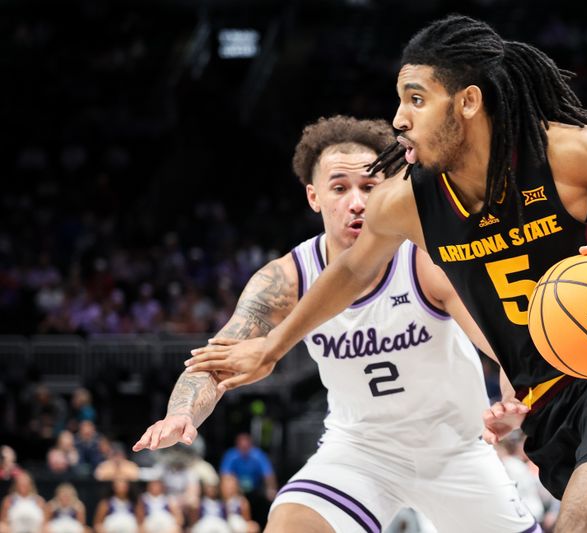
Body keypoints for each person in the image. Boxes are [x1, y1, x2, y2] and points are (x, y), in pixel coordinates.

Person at [184, 15, 587, 533]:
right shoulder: (407, 202)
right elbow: (351, 273)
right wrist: (271, 348)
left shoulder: (569, 153)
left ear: (468, 102)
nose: (400, 119)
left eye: (416, 99)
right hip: (544, 392)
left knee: (585, 521)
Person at [134, 115, 538, 533]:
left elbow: (505, 346)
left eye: (369, 186)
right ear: (314, 197)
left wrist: (511, 400)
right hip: (361, 452)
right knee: (290, 523)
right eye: (340, 188)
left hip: (456, 450)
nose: (357, 202)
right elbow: (217, 360)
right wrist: (180, 413)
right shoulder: (287, 278)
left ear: (391, 189)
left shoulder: (425, 260)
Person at [219, 433, 277, 503]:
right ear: (237, 445)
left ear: (251, 445)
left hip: (256, 490)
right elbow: (225, 475)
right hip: (237, 490)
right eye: (242, 447)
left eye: (246, 447)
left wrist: (271, 489)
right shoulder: (231, 455)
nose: (244, 450)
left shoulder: (259, 455)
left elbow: (268, 475)